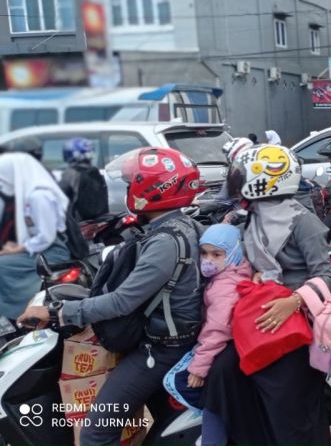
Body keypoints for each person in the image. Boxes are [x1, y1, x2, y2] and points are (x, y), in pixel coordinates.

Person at [17, 147, 203, 443]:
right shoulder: (185, 225)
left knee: (95, 433)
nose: (128, 190)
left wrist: (57, 312)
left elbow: (122, 302)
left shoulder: (165, 242)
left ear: (154, 189)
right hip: (169, 339)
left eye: (131, 184)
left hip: (163, 350)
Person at [204, 143, 331, 444]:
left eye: (242, 176)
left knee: (288, 412)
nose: (237, 183)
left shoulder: (303, 221)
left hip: (294, 326)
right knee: (223, 374)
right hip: (259, 322)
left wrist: (293, 301)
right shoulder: (251, 218)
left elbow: (327, 278)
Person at [167, 223, 251, 446]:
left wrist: (199, 367)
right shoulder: (232, 273)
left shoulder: (225, 287)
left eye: (216, 254)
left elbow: (218, 329)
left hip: (219, 351)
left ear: (233, 253)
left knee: (184, 384)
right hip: (226, 349)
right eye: (204, 253)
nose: (208, 260)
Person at [0, 153, 71, 318]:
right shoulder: (27, 195)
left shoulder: (38, 196)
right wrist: (16, 247)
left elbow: (46, 237)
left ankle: (16, 312)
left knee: (3, 265)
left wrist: (17, 249)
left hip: (53, 251)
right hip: (43, 248)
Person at [59, 137, 109, 221]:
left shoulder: (71, 173)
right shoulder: (95, 172)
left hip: (79, 222)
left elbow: (62, 201)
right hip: (98, 220)